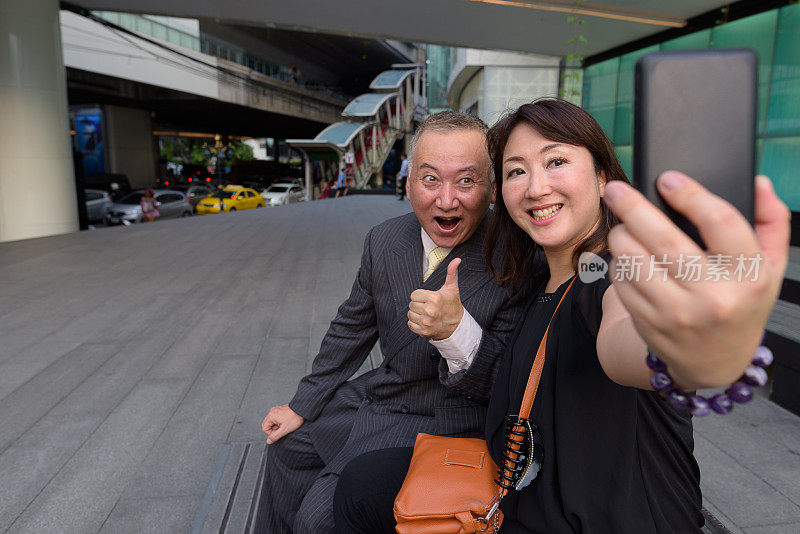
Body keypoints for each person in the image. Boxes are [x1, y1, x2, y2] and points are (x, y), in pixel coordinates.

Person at [333, 98, 790, 533]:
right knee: (364, 484)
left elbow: (626, 336)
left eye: (556, 161)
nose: (535, 187)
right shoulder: (537, 280)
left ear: (602, 175)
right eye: (516, 171)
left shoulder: (606, 275)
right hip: (524, 503)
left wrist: (696, 349)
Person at [253, 111, 532, 533]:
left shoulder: (515, 255)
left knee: (318, 519)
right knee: (286, 446)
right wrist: (302, 403)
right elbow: (351, 327)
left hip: (446, 418)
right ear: (407, 183)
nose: (447, 200)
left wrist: (456, 332)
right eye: (431, 178)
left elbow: (508, 381)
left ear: (492, 189)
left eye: (467, 181)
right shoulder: (384, 239)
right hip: (381, 393)